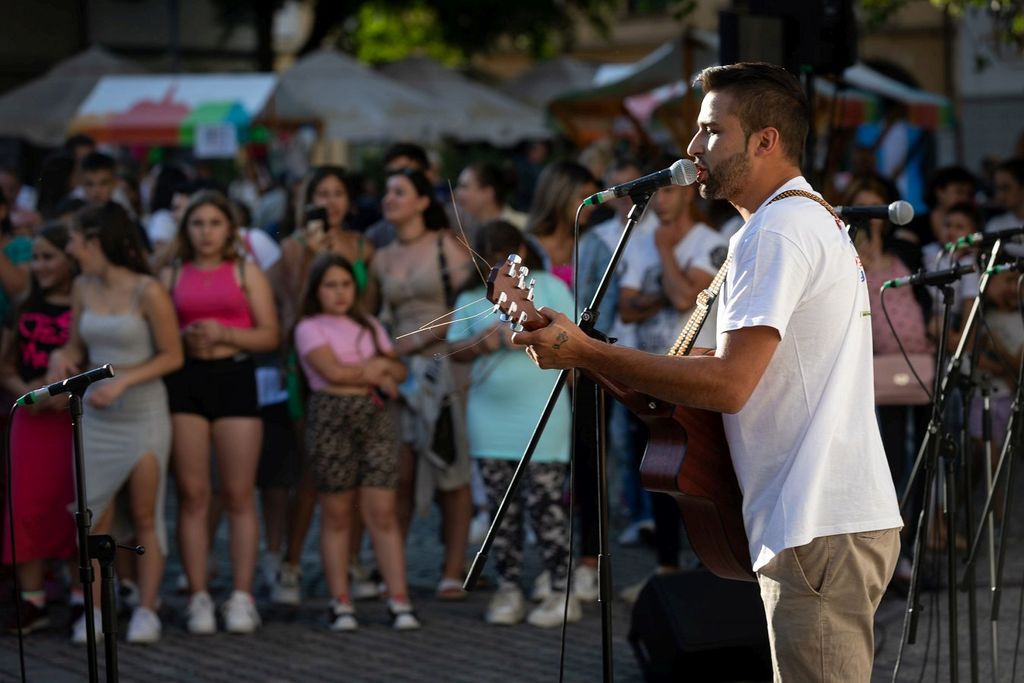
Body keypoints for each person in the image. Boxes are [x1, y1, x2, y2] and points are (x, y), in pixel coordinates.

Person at [512, 62, 903, 680]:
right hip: (824, 518)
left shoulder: (776, 230)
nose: (693, 147)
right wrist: (609, 357)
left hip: (817, 518)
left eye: (712, 130)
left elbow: (729, 385)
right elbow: (756, 371)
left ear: (765, 140)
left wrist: (588, 353)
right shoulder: (799, 218)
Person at [51, 202, 183, 644]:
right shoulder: (82, 287)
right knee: (91, 516)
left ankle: (147, 608)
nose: (70, 248)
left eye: (75, 239)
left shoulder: (148, 290)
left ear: (96, 240)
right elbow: (76, 345)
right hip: (96, 415)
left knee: (146, 512)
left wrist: (124, 380)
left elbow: (173, 355)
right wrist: (63, 357)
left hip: (141, 412)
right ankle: (93, 612)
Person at [160, 191, 279, 635]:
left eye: (214, 223)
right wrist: (183, 337)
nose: (206, 232)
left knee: (238, 493)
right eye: (197, 223)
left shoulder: (246, 271)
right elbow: (157, 331)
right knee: (192, 494)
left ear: (229, 228)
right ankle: (198, 595)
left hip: (234, 377)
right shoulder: (171, 273)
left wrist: (225, 334)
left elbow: (270, 335)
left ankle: (242, 595)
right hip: (186, 381)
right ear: (186, 229)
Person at [447, 220, 577, 627]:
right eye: (489, 259)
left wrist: (526, 333)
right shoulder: (470, 296)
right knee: (500, 510)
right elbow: (453, 348)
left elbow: (573, 338)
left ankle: (561, 588)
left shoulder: (549, 286)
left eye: (504, 258)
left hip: (543, 412)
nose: (497, 267)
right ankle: (508, 588)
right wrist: (481, 342)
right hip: (489, 418)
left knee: (545, 506)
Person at [293, 253, 419, 631]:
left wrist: (374, 371)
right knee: (337, 513)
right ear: (316, 290)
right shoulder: (308, 327)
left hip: (374, 418)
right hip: (331, 419)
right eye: (330, 285)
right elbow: (331, 372)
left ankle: (398, 598)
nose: (340, 293)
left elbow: (398, 369)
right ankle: (341, 600)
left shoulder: (369, 324)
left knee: (382, 510)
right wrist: (376, 370)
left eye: (346, 284)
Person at [372, 168, 474, 599]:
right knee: (399, 471)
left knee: (451, 464)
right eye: (387, 191)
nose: (389, 198)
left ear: (421, 201)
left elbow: (470, 304)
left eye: (400, 191)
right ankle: (391, 568)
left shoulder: (445, 245)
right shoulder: (380, 257)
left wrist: (419, 338)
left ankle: (453, 568)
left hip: (444, 365)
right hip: (400, 373)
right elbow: (374, 314)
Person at [0, 222, 77, 635]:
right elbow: (6, 366)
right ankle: (32, 601)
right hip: (30, 420)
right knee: (26, 507)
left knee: (73, 505)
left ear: (71, 260)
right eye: (36, 258)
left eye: (50, 257)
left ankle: (81, 596)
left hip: (71, 419)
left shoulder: (83, 306)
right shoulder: (23, 305)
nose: (40, 266)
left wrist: (64, 395)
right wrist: (28, 394)